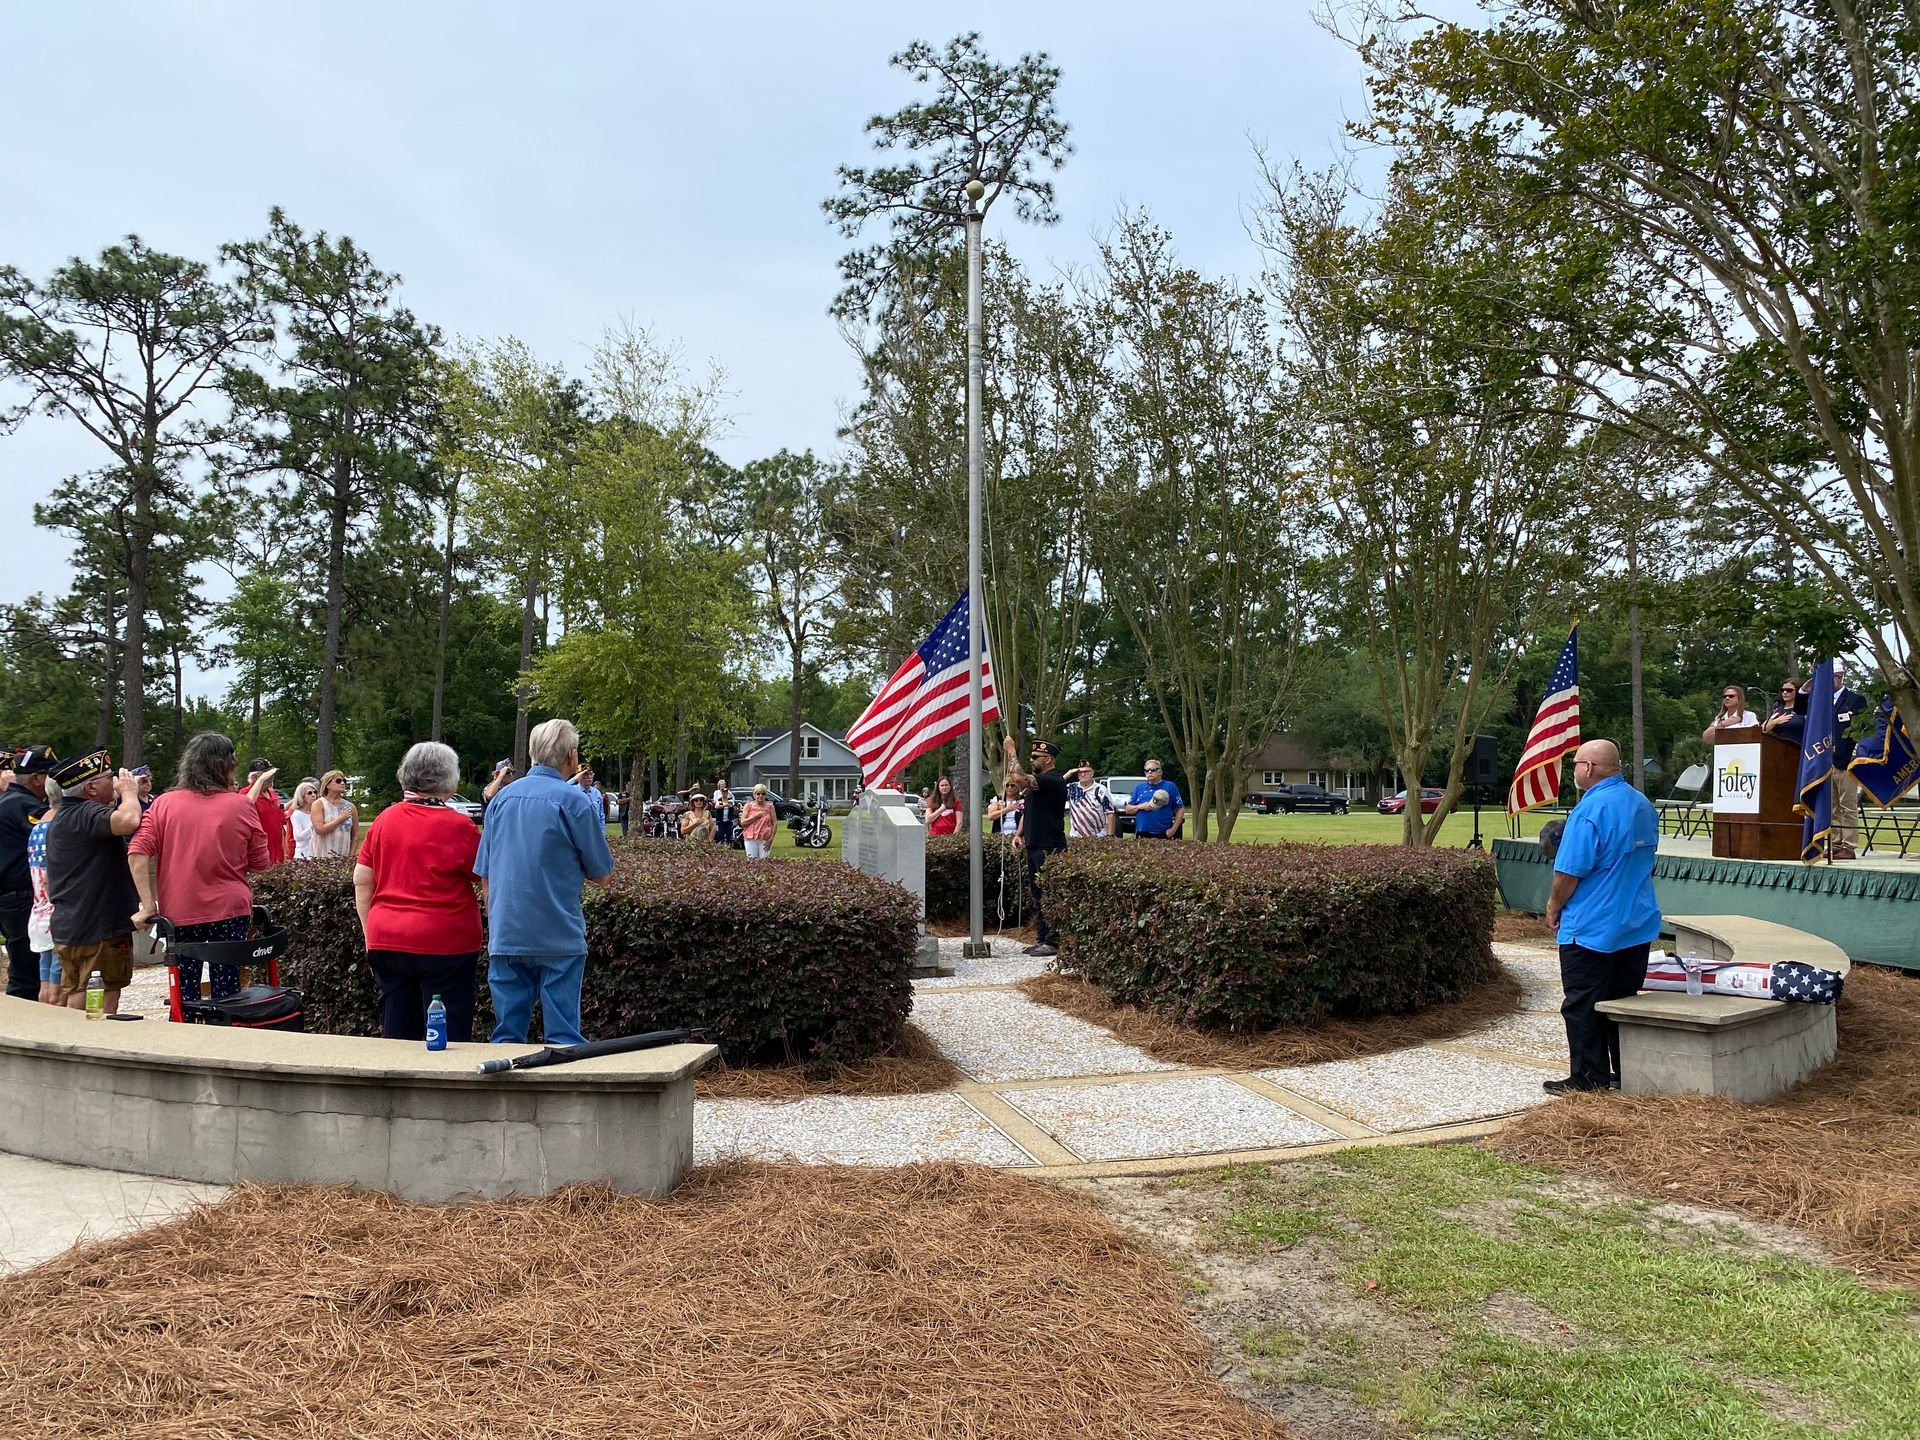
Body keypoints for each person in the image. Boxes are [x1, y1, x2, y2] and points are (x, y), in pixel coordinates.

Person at [473, 718, 615, 1047]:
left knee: (507, 1038)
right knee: (564, 1040)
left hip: (507, 933)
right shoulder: (575, 802)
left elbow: (485, 874)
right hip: (558, 935)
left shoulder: (501, 801)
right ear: (571, 757)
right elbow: (603, 873)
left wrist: (496, 923)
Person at [1543, 739, 1662, 1094]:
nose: (1574, 771)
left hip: (1592, 927)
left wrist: (1553, 905)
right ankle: (1625, 1070)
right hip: (1635, 923)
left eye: (1576, 764)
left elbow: (1569, 873)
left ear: (1589, 768)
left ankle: (1588, 1077)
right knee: (1622, 1003)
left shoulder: (1589, 811)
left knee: (1582, 1004)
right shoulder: (1641, 804)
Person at [353, 742, 483, 1042]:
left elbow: (362, 880)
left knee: (398, 1033)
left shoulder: (384, 820)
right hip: (445, 944)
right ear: (449, 782)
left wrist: (369, 931)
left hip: (386, 939)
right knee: (447, 1037)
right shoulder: (458, 826)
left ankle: (396, 1088)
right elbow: (484, 877)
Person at [128, 732, 271, 1002]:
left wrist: (148, 905)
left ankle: (183, 1035)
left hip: (179, 911)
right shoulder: (241, 806)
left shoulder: (164, 804)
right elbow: (260, 863)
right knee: (227, 992)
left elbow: (137, 851)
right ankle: (223, 1033)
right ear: (225, 765)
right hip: (229, 910)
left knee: (183, 993)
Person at [45, 751, 143, 1015]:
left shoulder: (64, 817)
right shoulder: (86, 813)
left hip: (72, 924)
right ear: (89, 787)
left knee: (79, 991)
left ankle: (76, 1044)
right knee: (102, 995)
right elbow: (130, 821)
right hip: (99, 927)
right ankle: (98, 1044)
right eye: (109, 778)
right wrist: (130, 793)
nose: (115, 782)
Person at [0, 745, 56, 1000]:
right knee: (28, 974)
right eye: (50, 774)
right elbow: (54, 839)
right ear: (37, 778)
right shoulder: (27, 806)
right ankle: (22, 1033)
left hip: (12, 898)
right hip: (21, 898)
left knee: (28, 969)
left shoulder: (8, 801)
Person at [1006, 735, 1069, 959]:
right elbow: (1028, 811)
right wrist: (1018, 834)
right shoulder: (1038, 784)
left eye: (1035, 757)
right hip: (1034, 845)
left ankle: (1052, 941)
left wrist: (1012, 751)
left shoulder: (1053, 780)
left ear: (1048, 759)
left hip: (1049, 846)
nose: (1032, 760)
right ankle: (1043, 939)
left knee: (1048, 893)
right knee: (1038, 894)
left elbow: (1018, 777)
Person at [1829, 660, 1870, 861]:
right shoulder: (1822, 702)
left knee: (1848, 805)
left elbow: (1863, 729)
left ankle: (1849, 845)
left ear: (1839, 677)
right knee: (1833, 806)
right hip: (1827, 761)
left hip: (1846, 761)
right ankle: (1836, 843)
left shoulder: (1855, 700)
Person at [26, 778, 61, 1005]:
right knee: (59, 987)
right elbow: (51, 877)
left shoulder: (37, 827)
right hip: (57, 913)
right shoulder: (59, 826)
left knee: (45, 982)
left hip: (39, 912)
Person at [1124, 759, 1184, 840]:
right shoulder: (1139, 788)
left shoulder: (1170, 786)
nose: (1149, 772)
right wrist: (1140, 806)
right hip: (1142, 833)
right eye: (1146, 770)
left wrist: (1172, 830)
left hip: (1163, 833)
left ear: (1160, 772)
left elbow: (1180, 809)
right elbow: (1128, 810)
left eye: (1153, 770)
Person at [246, 757, 288, 865]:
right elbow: (246, 806)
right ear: (255, 777)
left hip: (277, 854)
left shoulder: (272, 794)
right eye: (267, 774)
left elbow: (280, 821)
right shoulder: (246, 794)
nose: (271, 777)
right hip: (260, 856)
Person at [309, 770, 357, 858]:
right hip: (322, 857)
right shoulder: (319, 804)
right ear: (327, 785)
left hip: (343, 857)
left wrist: (351, 856)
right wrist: (340, 819)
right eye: (338, 781)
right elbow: (320, 830)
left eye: (344, 781)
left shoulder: (350, 806)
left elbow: (355, 834)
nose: (342, 783)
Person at [1067, 760, 1117, 840]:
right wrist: (1068, 774)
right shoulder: (1071, 788)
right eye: (1080, 772)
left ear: (1092, 773)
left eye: (1086, 771)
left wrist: (1110, 836)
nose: (1083, 774)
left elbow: (1110, 813)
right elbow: (1053, 788)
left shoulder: (1101, 789)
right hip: (1075, 837)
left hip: (1098, 836)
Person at [740, 784, 777, 859]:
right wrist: (756, 816)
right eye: (758, 794)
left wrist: (771, 839)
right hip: (751, 837)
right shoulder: (749, 806)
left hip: (765, 838)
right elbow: (743, 822)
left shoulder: (770, 806)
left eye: (763, 794)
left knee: (764, 860)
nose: (760, 796)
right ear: (754, 795)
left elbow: (775, 823)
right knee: (751, 860)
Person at [287, 779, 320, 859]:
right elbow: (298, 837)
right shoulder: (296, 814)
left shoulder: (318, 812)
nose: (313, 795)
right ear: (301, 796)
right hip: (303, 855)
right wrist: (314, 826)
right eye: (309, 793)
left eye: (315, 792)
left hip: (317, 853)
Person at [711, 779, 735, 844]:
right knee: (720, 834)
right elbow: (716, 805)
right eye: (721, 784)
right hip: (720, 819)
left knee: (729, 835)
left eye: (723, 784)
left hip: (728, 819)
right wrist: (725, 805)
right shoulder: (717, 794)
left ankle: (729, 846)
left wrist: (728, 803)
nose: (725, 793)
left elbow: (732, 802)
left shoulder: (729, 795)